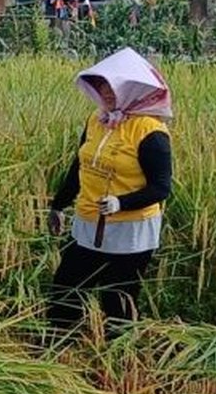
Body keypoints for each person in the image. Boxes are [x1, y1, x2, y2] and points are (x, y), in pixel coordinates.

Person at [47, 47, 173, 334]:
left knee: (117, 297)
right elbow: (78, 166)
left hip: (131, 231)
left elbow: (161, 187)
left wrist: (121, 202)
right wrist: (58, 205)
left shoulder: (149, 131)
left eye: (113, 86)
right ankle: (60, 345)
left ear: (131, 89)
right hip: (89, 221)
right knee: (66, 287)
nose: (106, 92)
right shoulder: (97, 120)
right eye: (101, 85)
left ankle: (118, 358)